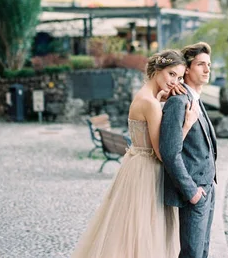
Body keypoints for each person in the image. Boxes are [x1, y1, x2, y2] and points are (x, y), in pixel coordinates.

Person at [72, 49, 200, 258]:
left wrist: (161, 97)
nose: (174, 82)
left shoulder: (146, 96)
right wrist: (187, 124)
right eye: (171, 74)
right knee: (144, 231)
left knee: (126, 230)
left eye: (178, 77)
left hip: (135, 165)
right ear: (158, 69)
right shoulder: (150, 104)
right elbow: (162, 153)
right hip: (148, 173)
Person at [159, 42, 217, 258]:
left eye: (209, 64)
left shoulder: (196, 99)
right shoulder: (178, 102)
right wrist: (192, 192)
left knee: (203, 251)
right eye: (201, 64)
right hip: (195, 191)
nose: (207, 69)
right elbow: (169, 152)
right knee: (192, 254)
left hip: (209, 188)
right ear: (188, 69)